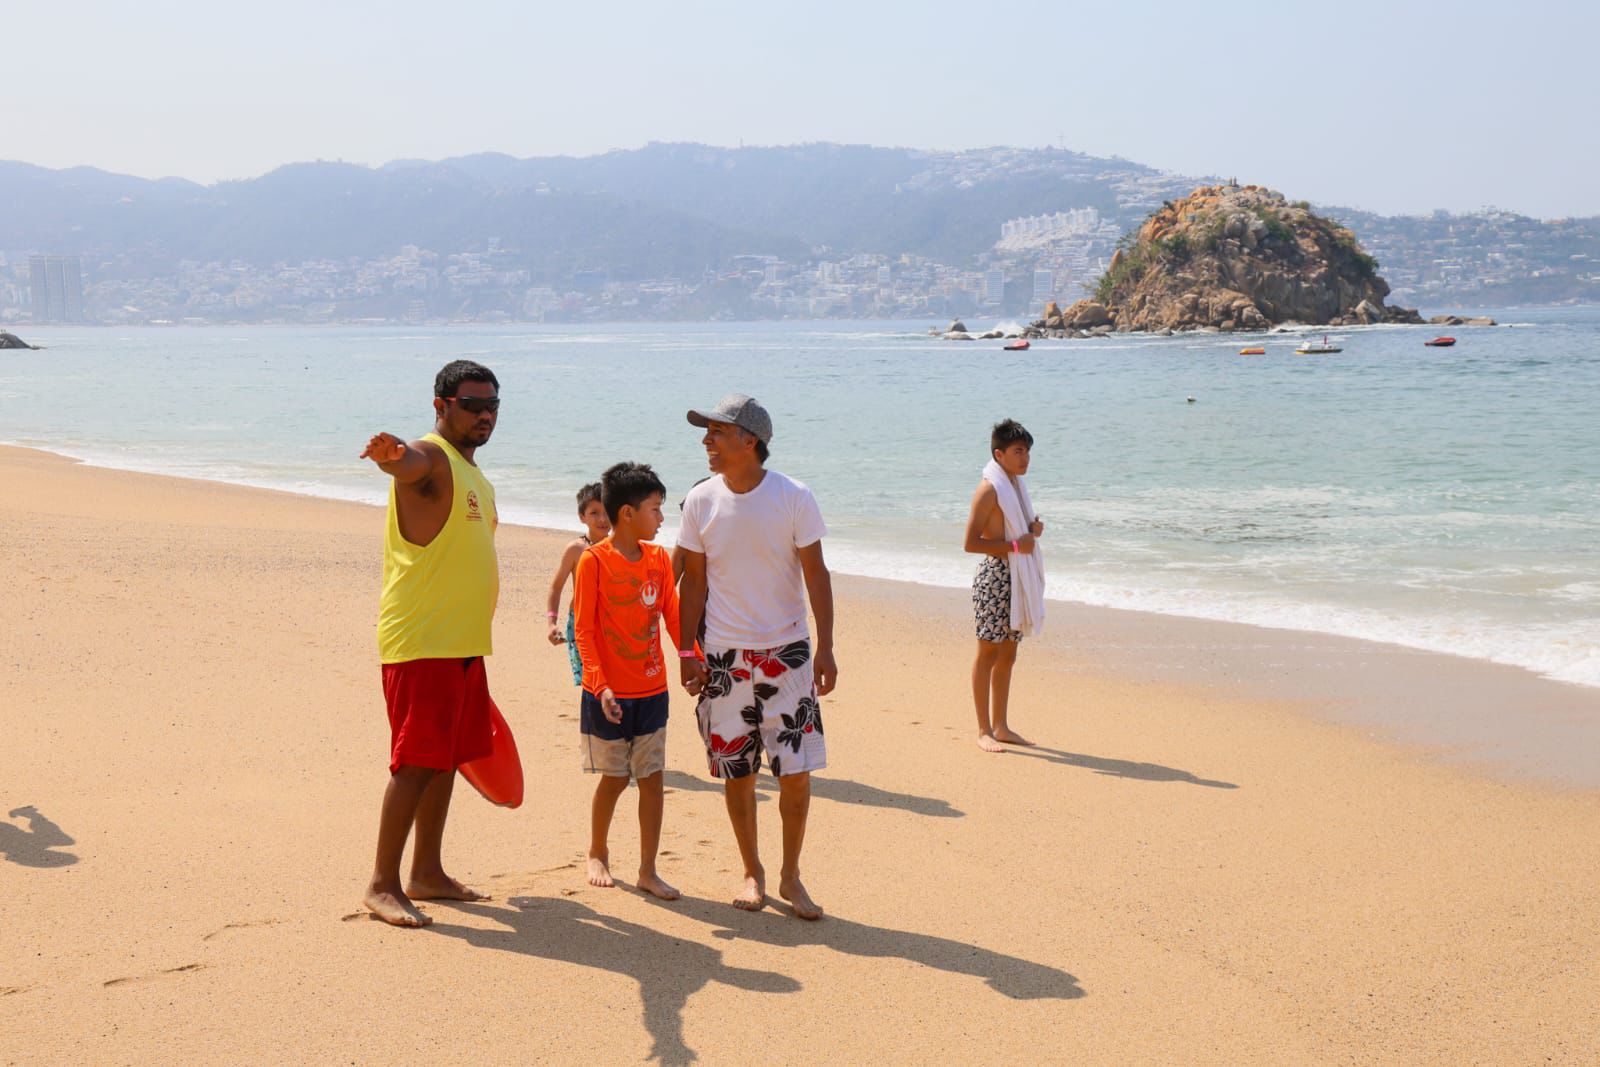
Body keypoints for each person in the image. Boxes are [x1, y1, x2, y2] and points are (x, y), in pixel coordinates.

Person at [676, 394, 836, 920]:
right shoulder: (701, 501)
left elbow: (816, 574)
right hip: (723, 657)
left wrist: (826, 648)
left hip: (787, 654)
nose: (707, 441)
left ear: (750, 441)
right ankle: (753, 870)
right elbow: (693, 582)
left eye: (716, 433)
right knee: (736, 772)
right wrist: (686, 649)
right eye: (706, 433)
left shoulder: (793, 496)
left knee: (796, 773)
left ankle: (791, 876)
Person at [358, 359, 503, 927]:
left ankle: (427, 873)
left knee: (445, 761)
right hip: (422, 639)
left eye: (492, 404)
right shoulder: (433, 459)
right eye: (471, 404)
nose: (485, 414)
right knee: (416, 763)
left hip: (463, 640)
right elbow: (409, 465)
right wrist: (392, 456)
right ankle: (380, 883)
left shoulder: (473, 474)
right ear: (441, 406)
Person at [572, 462, 682, 901]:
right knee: (615, 779)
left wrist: (691, 658)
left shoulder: (658, 558)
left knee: (653, 777)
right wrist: (600, 686)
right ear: (627, 515)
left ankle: (648, 870)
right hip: (608, 695)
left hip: (653, 689)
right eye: (655, 509)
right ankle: (597, 850)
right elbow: (583, 630)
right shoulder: (593, 561)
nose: (660, 518)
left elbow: (671, 614)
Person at [962, 418, 1046, 753]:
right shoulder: (989, 489)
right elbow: (970, 543)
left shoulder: (1014, 487)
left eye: (1027, 451)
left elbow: (1017, 535)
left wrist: (1031, 532)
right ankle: (983, 729)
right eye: (1018, 451)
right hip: (995, 577)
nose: (1025, 458)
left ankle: (1002, 725)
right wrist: (1015, 546)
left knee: (1009, 655)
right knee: (988, 653)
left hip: (1016, 578)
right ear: (999, 454)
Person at [546, 482, 612, 685]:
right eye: (594, 512)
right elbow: (556, 587)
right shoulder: (576, 550)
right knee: (591, 681)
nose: (602, 519)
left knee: (614, 679)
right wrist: (551, 623)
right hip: (581, 623)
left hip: (612, 623)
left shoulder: (620, 547)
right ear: (582, 516)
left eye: (607, 512)